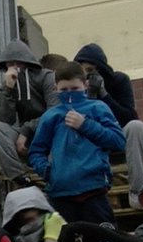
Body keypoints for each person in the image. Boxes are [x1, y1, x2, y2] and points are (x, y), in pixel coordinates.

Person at [27, 61, 126, 224]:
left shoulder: (98, 108)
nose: (69, 94)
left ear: (85, 85)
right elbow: (36, 150)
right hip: (60, 192)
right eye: (64, 90)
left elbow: (118, 141)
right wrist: (47, 172)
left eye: (74, 89)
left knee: (102, 241)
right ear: (55, 88)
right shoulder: (51, 116)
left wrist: (86, 125)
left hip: (94, 189)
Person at [73, 43, 143, 202]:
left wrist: (104, 95)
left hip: (117, 137)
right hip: (90, 141)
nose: (88, 77)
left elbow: (129, 116)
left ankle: (138, 193)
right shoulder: (74, 88)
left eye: (90, 71)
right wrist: (87, 97)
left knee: (136, 127)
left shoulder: (119, 81)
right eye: (83, 72)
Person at [0, 41, 60, 187]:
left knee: (58, 129)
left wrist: (26, 130)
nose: (14, 67)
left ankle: (54, 177)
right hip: (26, 138)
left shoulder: (47, 77)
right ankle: (20, 177)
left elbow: (54, 112)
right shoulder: (8, 85)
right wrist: (8, 90)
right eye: (9, 64)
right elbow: (5, 119)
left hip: (47, 132)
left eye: (17, 63)